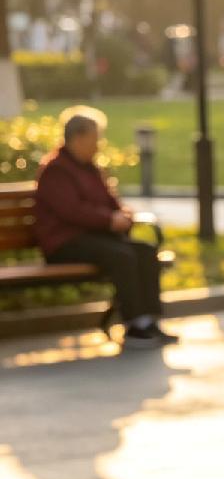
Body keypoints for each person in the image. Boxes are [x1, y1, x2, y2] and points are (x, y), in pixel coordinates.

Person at [33, 106, 175, 349]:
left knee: (145, 251)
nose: (99, 144)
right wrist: (109, 220)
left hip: (95, 239)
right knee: (121, 256)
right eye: (95, 138)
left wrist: (121, 213)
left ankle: (148, 319)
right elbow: (71, 211)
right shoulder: (56, 169)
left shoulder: (90, 168)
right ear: (78, 138)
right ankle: (134, 326)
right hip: (65, 243)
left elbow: (108, 201)